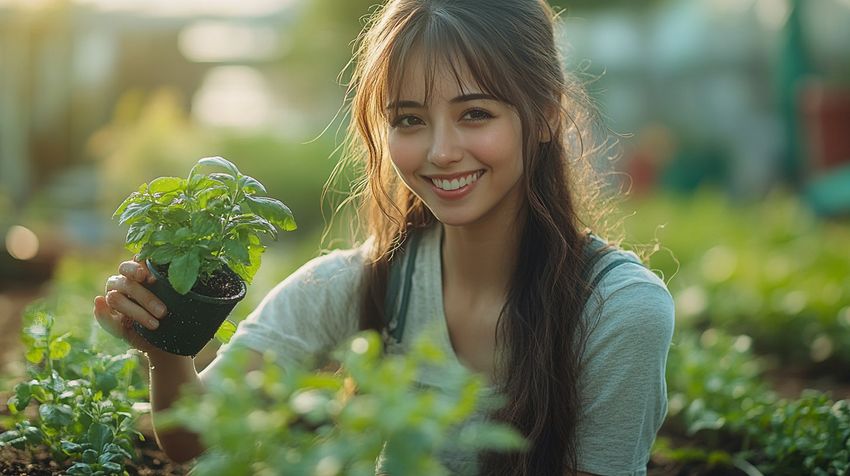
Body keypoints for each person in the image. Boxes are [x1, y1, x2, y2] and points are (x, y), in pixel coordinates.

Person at [93, 0, 675, 474]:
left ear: (546, 114)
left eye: (475, 114)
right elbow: (197, 437)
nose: (441, 151)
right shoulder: (358, 284)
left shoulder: (619, 312)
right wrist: (168, 351)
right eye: (409, 120)